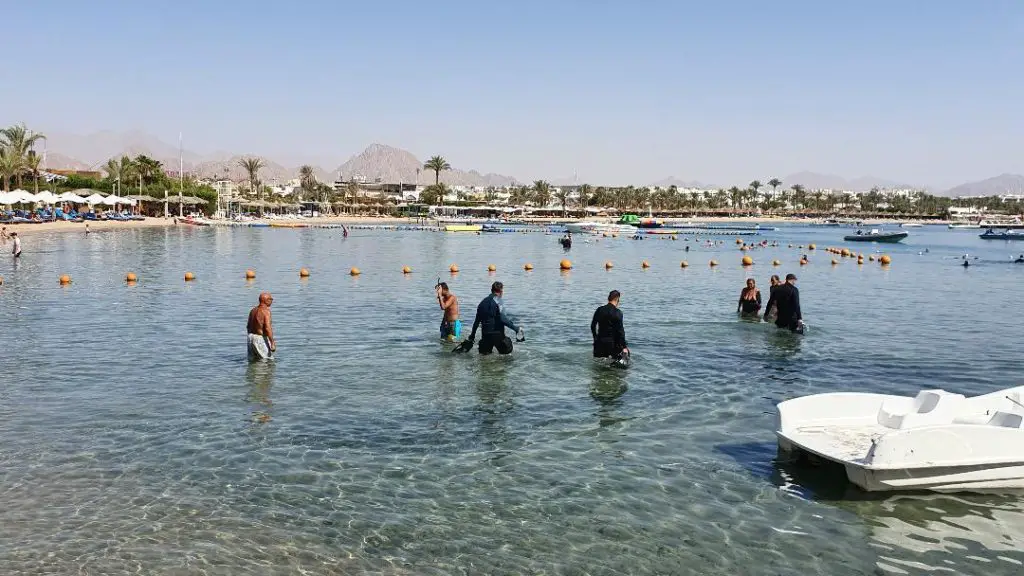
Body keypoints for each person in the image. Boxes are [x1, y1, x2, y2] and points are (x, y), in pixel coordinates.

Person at [465, 281, 523, 355]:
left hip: (485, 335)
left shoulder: (482, 303)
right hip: (498, 335)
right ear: (501, 291)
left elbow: (476, 322)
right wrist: (516, 329)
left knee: (484, 358)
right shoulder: (499, 301)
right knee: (507, 354)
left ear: (491, 290)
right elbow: (503, 319)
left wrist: (472, 336)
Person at [592, 290, 629, 362]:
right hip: (613, 344)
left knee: (599, 364)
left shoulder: (599, 310)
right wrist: (624, 347)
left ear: (608, 298)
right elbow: (620, 331)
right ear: (617, 299)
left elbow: (593, 326)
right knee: (621, 364)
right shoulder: (618, 312)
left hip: (600, 342)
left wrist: (595, 339)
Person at [246, 292, 276, 360]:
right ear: (266, 300)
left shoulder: (253, 310)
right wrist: (272, 343)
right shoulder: (266, 311)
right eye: (271, 299)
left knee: (253, 361)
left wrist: (251, 338)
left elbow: (248, 326)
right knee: (268, 361)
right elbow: (267, 328)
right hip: (260, 339)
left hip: (250, 337)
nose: (272, 301)